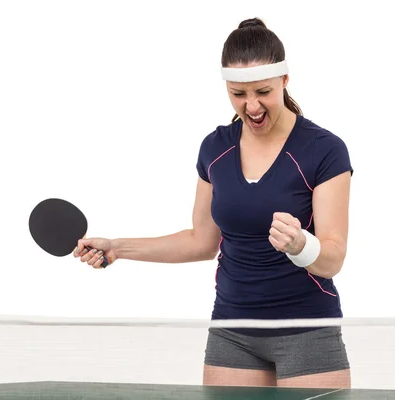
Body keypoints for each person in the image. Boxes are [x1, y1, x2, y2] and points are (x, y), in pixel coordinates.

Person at [74, 17, 353, 389]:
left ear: (285, 80)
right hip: (232, 332)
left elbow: (333, 258)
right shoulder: (215, 149)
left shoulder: (324, 150)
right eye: (238, 94)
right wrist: (118, 248)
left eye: (263, 92)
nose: (251, 106)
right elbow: (202, 242)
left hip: (306, 331)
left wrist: (302, 246)